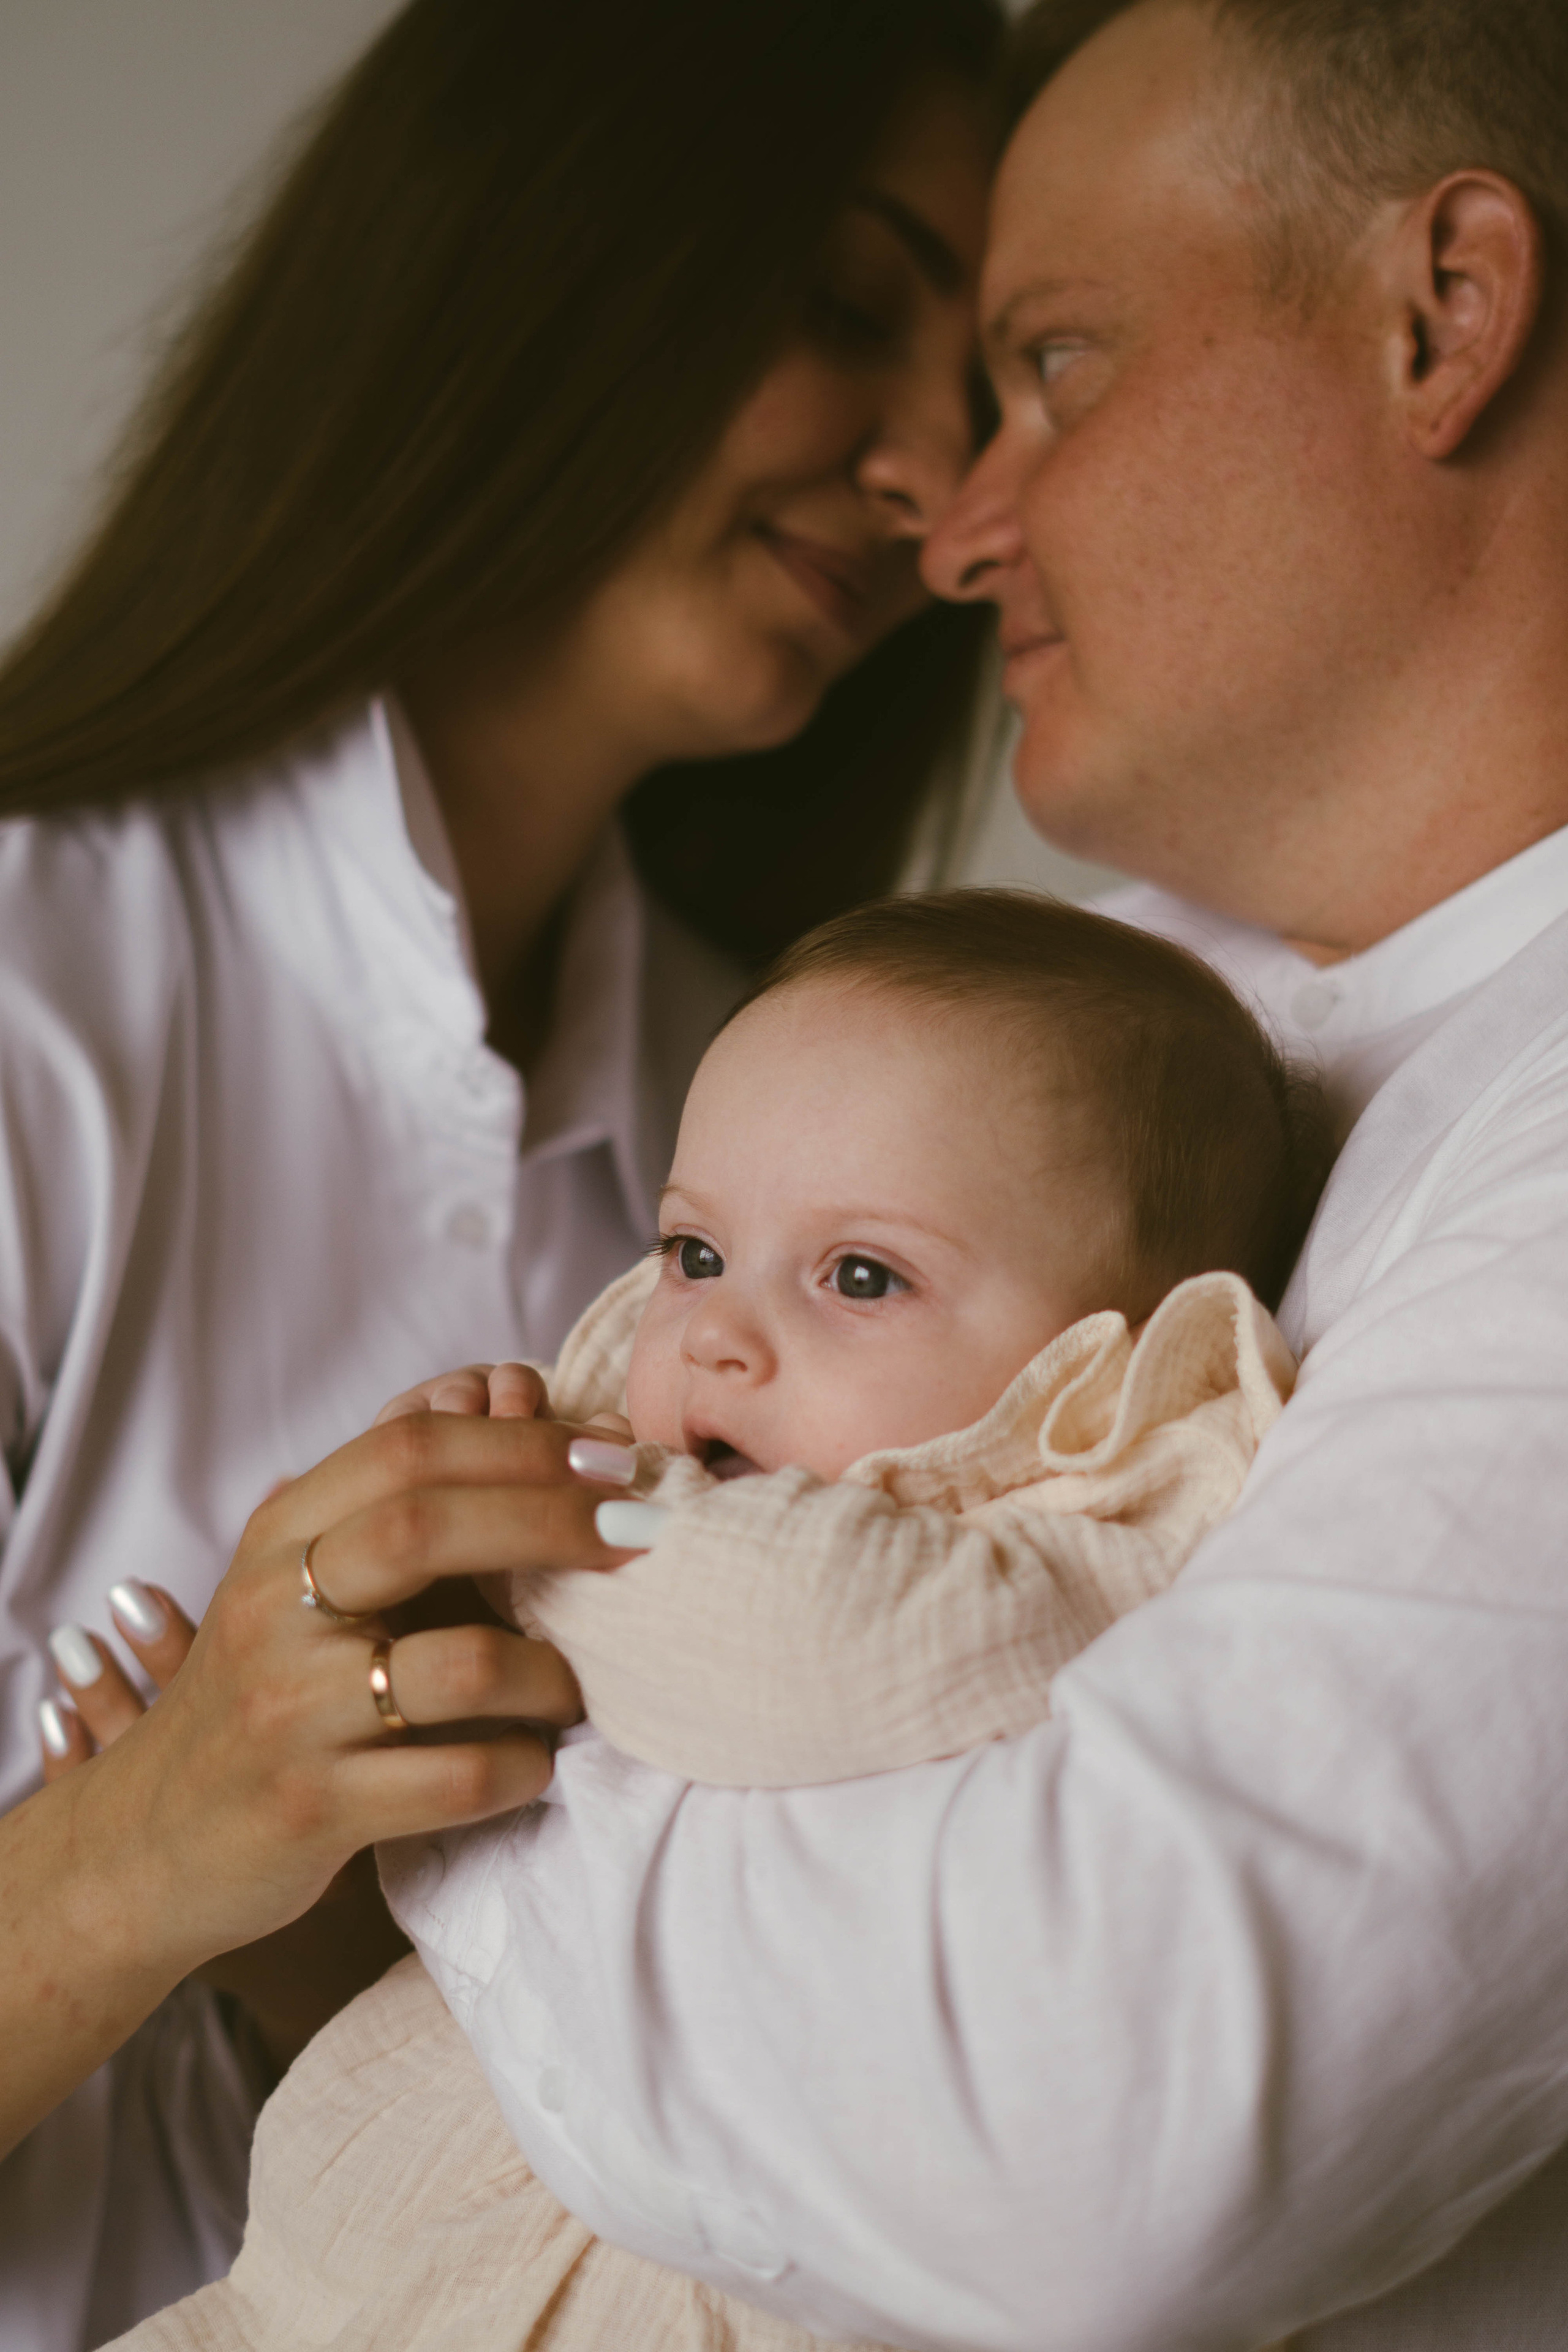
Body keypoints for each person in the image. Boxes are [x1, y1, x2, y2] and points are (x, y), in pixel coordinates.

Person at [217, 1, 1568, 2345]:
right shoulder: (1086, 1017)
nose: (954, 526)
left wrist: (488, 1725)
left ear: (1440, 315)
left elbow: (1092, 2131)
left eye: (1054, 362)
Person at [0, 0, 1004, 2340]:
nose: (940, 476)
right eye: (857, 308)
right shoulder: (41, 989)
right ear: (546, 247)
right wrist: (162, 1841)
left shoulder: (813, 1153)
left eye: (997, 379)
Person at [108, 888, 1321, 2351]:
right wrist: (432, 1547)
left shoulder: (1084, 1505)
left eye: (860, 1277)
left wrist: (512, 1530)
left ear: (1092, 1364)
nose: (716, 1335)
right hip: (287, 2298)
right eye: (692, 1253)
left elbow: (806, 1645)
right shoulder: (692, 1472)